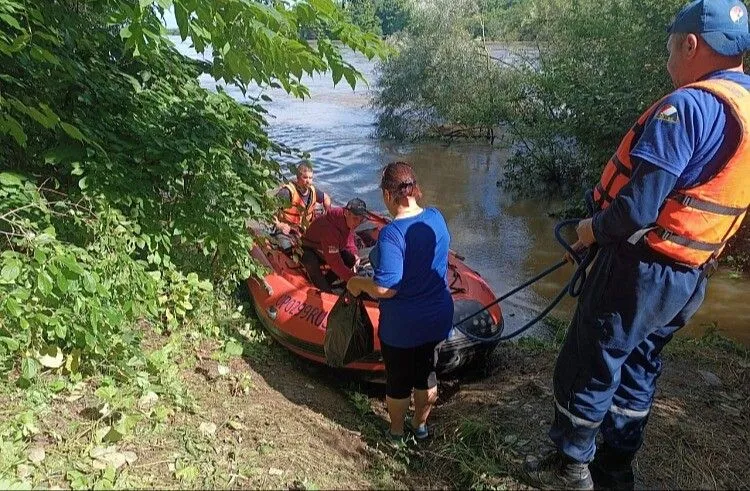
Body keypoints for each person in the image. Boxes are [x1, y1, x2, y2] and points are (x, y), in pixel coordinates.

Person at [523, 1, 750, 489]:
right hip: (689, 274)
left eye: (670, 45)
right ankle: (613, 469)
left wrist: (588, 231)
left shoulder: (686, 107)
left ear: (690, 44)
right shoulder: (745, 110)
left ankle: (570, 465)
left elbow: (635, 210)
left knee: (590, 360)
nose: (668, 56)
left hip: (641, 266)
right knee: (639, 367)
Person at [346, 162, 454, 442]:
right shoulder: (436, 217)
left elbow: (386, 288)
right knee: (426, 374)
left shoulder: (392, 233)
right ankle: (420, 427)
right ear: (416, 189)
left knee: (398, 381)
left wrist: (357, 283)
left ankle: (395, 433)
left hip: (404, 326)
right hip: (437, 317)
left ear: (386, 195)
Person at [300, 198, 368, 292]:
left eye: (361, 220)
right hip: (311, 249)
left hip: (329, 249)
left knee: (351, 259)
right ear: (346, 213)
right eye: (355, 218)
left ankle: (328, 281)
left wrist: (355, 254)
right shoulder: (330, 229)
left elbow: (350, 241)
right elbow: (335, 262)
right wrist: (355, 279)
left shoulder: (348, 222)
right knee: (309, 260)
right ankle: (324, 289)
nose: (357, 223)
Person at [273, 162, 332, 247]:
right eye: (305, 177)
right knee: (287, 247)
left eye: (310, 178)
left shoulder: (313, 191)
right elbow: (269, 210)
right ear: (298, 177)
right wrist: (279, 225)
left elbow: (326, 198)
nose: (308, 181)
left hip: (305, 229)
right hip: (286, 230)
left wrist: (327, 212)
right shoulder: (287, 192)